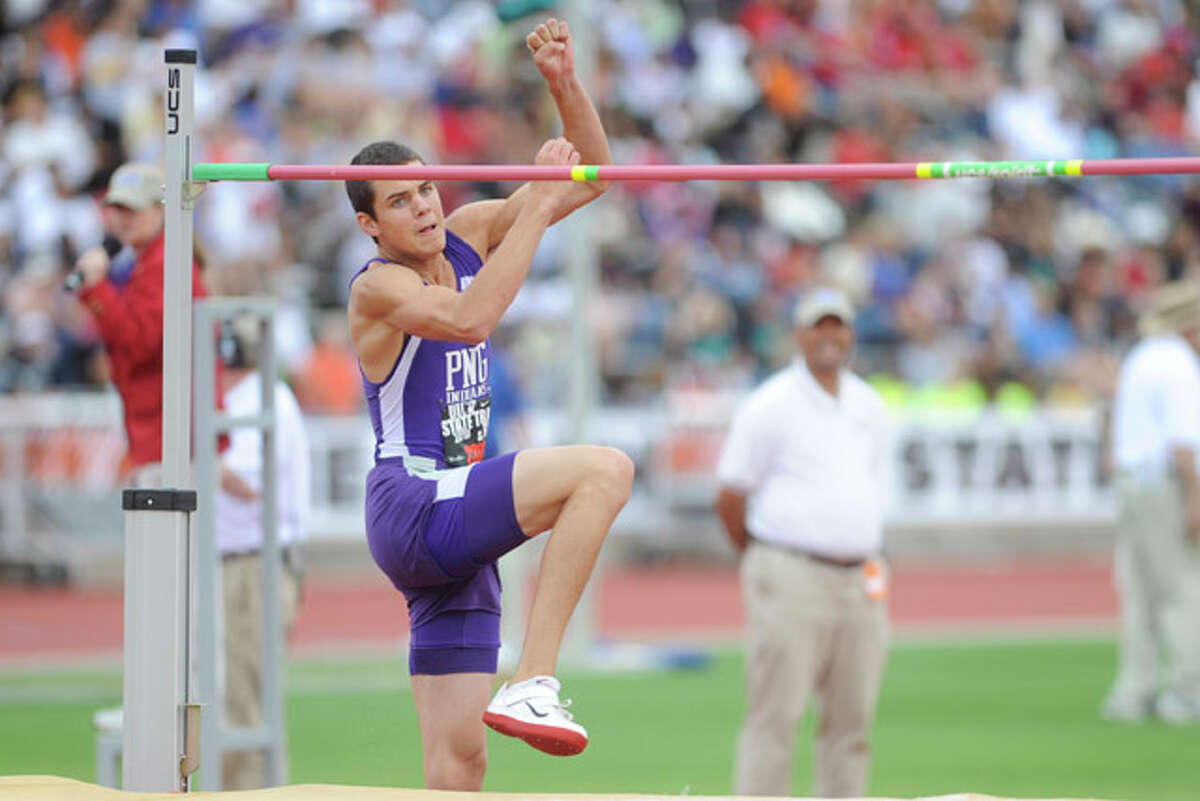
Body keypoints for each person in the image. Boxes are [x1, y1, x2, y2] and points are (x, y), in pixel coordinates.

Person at [344, 18, 633, 790]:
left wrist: (564, 84)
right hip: (414, 504)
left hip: (454, 518)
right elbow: (470, 320)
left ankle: (521, 689)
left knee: (459, 760)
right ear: (370, 224)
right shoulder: (378, 287)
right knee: (603, 471)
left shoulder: (470, 233)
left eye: (427, 189)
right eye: (400, 202)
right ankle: (534, 677)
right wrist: (534, 209)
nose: (424, 209)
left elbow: (597, 175)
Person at [715, 286, 892, 798]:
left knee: (852, 719)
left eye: (838, 326)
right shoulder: (771, 404)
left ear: (852, 335)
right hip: (790, 568)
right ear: (800, 334)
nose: (830, 336)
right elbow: (730, 493)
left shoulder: (869, 404)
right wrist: (760, 555)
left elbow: (873, 484)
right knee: (776, 715)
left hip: (861, 573)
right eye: (820, 325)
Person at [71, 161, 217, 485]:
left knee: (163, 531)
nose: (122, 218)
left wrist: (95, 289)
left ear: (160, 209)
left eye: (132, 209)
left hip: (170, 435)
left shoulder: (163, 263)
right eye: (116, 209)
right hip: (167, 431)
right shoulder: (157, 260)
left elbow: (140, 344)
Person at [214, 318, 310, 787]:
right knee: (236, 697)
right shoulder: (255, 397)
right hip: (243, 559)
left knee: (247, 700)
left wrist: (190, 453)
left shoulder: (261, 400)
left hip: (255, 564)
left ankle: (255, 791)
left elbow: (245, 482)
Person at [1103, 281, 1200, 725]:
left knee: (1139, 591)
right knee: (1183, 589)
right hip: (1164, 485)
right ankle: (1187, 690)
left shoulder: (1141, 356)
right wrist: (1196, 497)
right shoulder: (1180, 364)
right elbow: (1184, 442)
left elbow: (1112, 425)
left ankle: (1133, 692)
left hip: (1131, 483)